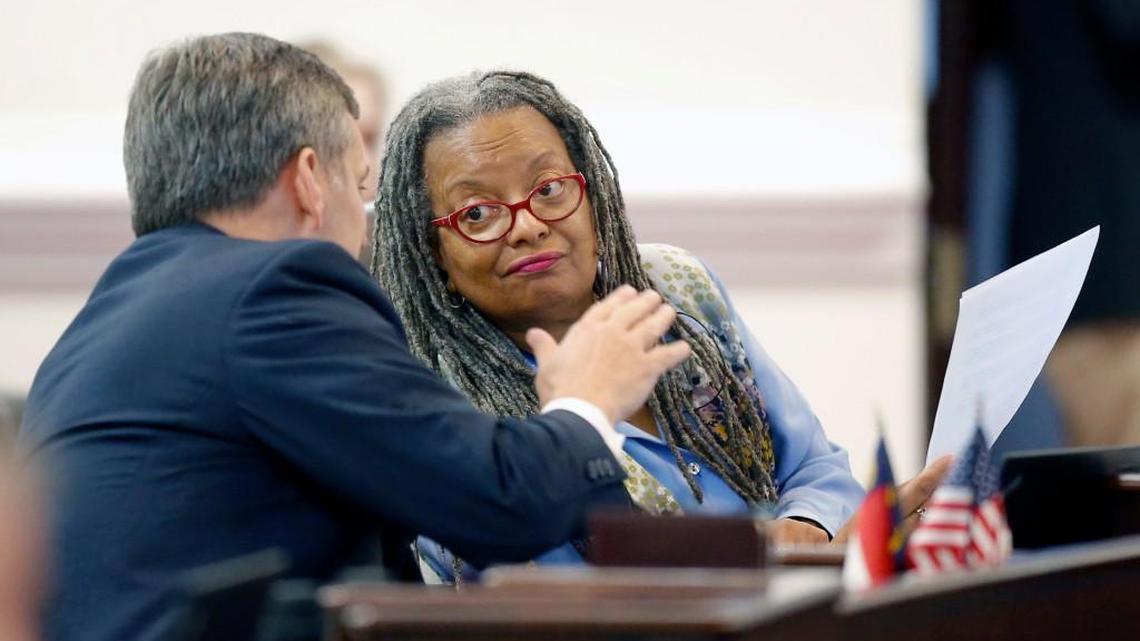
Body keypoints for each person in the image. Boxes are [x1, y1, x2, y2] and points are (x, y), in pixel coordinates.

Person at [18, 34, 689, 641]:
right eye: (360, 186)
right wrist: (584, 399)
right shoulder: (277, 288)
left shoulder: (104, 320)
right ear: (310, 179)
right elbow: (501, 500)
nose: (367, 231)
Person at [372, 70, 952, 582]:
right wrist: (772, 570)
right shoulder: (437, 407)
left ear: (591, 197)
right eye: (478, 213)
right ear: (434, 257)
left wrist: (806, 534)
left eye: (548, 190)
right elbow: (557, 593)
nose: (526, 226)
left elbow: (813, 464)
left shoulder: (675, 286)